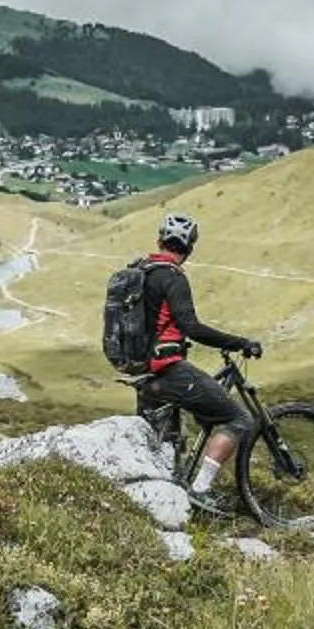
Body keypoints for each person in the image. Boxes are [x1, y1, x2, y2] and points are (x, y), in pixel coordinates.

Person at [128, 215, 263, 509]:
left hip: (141, 371)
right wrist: (240, 342)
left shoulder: (141, 272)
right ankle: (200, 491)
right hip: (168, 369)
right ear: (189, 248)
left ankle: (167, 501)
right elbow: (192, 327)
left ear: (159, 242)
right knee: (239, 419)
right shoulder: (173, 278)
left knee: (164, 444)